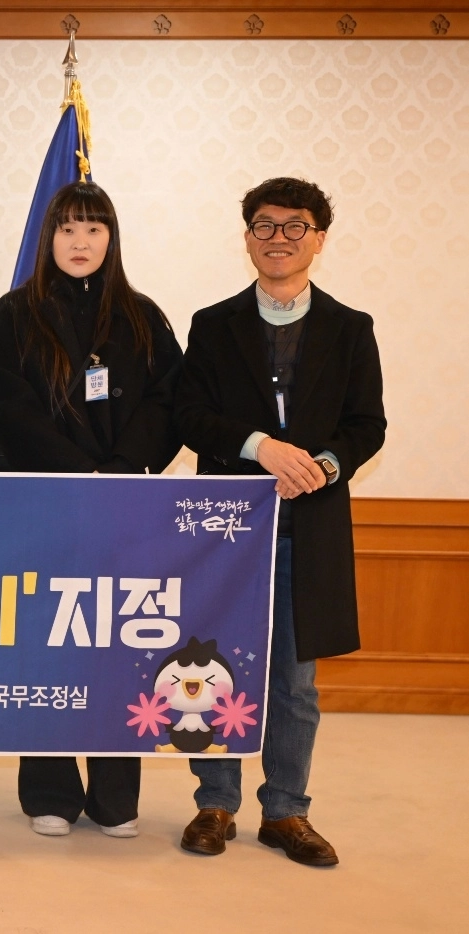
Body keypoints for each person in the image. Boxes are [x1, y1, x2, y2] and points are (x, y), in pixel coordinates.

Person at [174, 178, 385, 866]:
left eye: (295, 226)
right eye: (264, 226)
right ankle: (215, 803)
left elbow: (367, 424)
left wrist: (322, 464)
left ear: (318, 240)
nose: (278, 238)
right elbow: (189, 415)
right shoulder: (213, 324)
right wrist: (258, 447)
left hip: (310, 524)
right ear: (247, 238)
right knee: (213, 668)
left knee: (295, 682)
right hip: (228, 528)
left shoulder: (350, 328)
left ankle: (286, 812)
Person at [0, 181, 183, 840]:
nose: (80, 241)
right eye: (67, 228)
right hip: (42, 503)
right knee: (47, 649)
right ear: (49, 237)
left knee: (119, 649)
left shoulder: (143, 316)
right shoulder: (12, 314)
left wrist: (118, 473)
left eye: (94, 229)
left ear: (111, 239)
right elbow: (7, 405)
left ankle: (115, 800)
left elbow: (168, 402)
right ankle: (49, 791)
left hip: (123, 506)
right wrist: (74, 472)